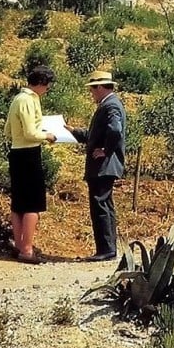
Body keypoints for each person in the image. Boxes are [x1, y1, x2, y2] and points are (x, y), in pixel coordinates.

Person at [66, 70, 126, 262]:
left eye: (92, 89)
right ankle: (107, 248)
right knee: (104, 205)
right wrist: (74, 132)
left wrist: (105, 150)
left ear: (100, 87)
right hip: (104, 165)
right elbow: (97, 134)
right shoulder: (109, 104)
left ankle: (106, 250)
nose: (91, 93)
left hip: (103, 166)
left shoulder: (110, 106)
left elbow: (115, 130)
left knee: (100, 205)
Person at [4, 65, 57, 264]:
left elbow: (8, 130)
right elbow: (29, 133)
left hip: (17, 152)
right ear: (42, 83)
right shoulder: (28, 100)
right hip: (29, 153)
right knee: (32, 203)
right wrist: (47, 135)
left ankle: (19, 246)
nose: (47, 90)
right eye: (47, 86)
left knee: (18, 203)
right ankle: (27, 250)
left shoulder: (17, 99)